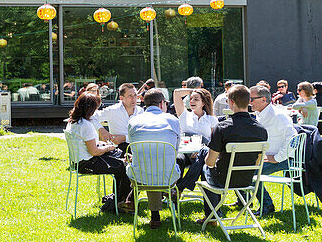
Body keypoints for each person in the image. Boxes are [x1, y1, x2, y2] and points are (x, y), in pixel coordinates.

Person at [197, 85, 268, 224]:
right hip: (247, 180)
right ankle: (213, 215)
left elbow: (210, 163)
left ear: (231, 102)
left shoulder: (222, 127)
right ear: (249, 102)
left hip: (222, 180)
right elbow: (258, 162)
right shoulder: (261, 129)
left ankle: (212, 216)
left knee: (205, 163)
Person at [64, 92, 133, 212]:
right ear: (90, 110)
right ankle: (121, 202)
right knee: (125, 167)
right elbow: (94, 151)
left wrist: (103, 145)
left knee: (119, 157)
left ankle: (117, 199)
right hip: (88, 163)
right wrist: (107, 148)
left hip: (79, 161)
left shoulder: (73, 122)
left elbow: (85, 144)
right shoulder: (86, 125)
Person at [126, 88, 183, 229]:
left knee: (149, 165)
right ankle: (159, 209)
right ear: (162, 103)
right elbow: (175, 149)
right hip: (168, 177)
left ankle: (154, 215)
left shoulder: (133, 121)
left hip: (140, 178)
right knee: (159, 165)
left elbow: (133, 148)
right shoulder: (172, 120)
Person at [250, 85, 297, 217]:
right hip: (267, 157)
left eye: (252, 99)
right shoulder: (260, 115)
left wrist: (276, 158)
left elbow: (293, 139)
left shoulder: (278, 115)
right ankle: (246, 202)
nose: (249, 102)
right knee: (240, 167)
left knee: (248, 172)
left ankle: (267, 205)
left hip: (285, 159)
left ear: (263, 99)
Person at [96, 83, 141, 151]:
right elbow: (91, 117)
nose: (133, 99)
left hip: (139, 149)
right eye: (130, 96)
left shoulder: (141, 111)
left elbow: (142, 135)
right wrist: (101, 130)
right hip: (119, 151)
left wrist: (124, 138)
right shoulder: (112, 110)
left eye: (135, 95)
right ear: (121, 98)